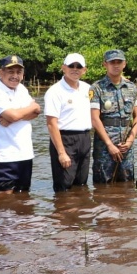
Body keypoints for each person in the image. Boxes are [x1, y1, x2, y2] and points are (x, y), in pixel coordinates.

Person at [0, 55, 41, 193]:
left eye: (18, 72)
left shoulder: (22, 89)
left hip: (25, 153)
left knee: (24, 197)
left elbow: (37, 110)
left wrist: (14, 117)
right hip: (3, 154)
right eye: (11, 72)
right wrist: (17, 115)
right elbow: (15, 114)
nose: (15, 76)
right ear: (1, 72)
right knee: (5, 199)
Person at [90, 49, 137, 183]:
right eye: (112, 62)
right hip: (104, 146)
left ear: (125, 64)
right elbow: (95, 119)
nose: (116, 65)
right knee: (103, 186)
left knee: (127, 185)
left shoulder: (131, 87)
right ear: (105, 64)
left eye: (119, 62)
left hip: (126, 145)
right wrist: (109, 144)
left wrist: (130, 140)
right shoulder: (97, 88)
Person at [44, 53, 92, 192]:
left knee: (81, 185)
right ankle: (63, 212)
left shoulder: (88, 89)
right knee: (64, 186)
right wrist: (61, 152)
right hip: (65, 140)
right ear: (63, 68)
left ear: (84, 70)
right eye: (71, 66)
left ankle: (79, 213)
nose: (75, 69)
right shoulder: (55, 91)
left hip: (85, 139)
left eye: (79, 66)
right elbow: (51, 124)